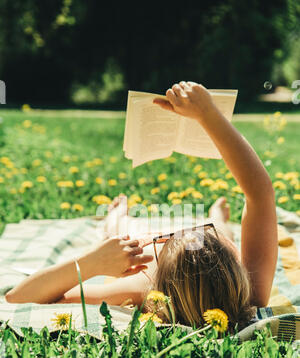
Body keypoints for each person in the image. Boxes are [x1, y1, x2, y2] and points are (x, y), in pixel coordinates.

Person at [5, 82, 278, 332]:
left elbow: (19, 298)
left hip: (151, 254)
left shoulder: (141, 287)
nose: (182, 230)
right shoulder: (250, 290)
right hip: (198, 253)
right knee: (219, 231)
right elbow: (260, 194)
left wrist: (92, 263)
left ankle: (116, 216)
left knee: (131, 233)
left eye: (166, 242)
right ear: (237, 269)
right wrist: (208, 114)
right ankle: (216, 219)